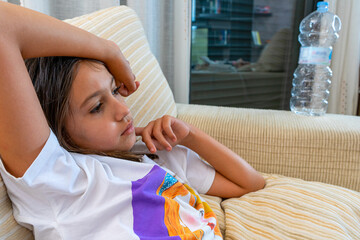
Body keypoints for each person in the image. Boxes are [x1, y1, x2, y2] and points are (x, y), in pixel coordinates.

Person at [0, 2, 265, 239]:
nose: (123, 111)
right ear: (58, 130)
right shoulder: (61, 181)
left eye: (115, 90)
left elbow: (250, 183)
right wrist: (109, 51)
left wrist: (190, 136)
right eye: (97, 107)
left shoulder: (157, 155)